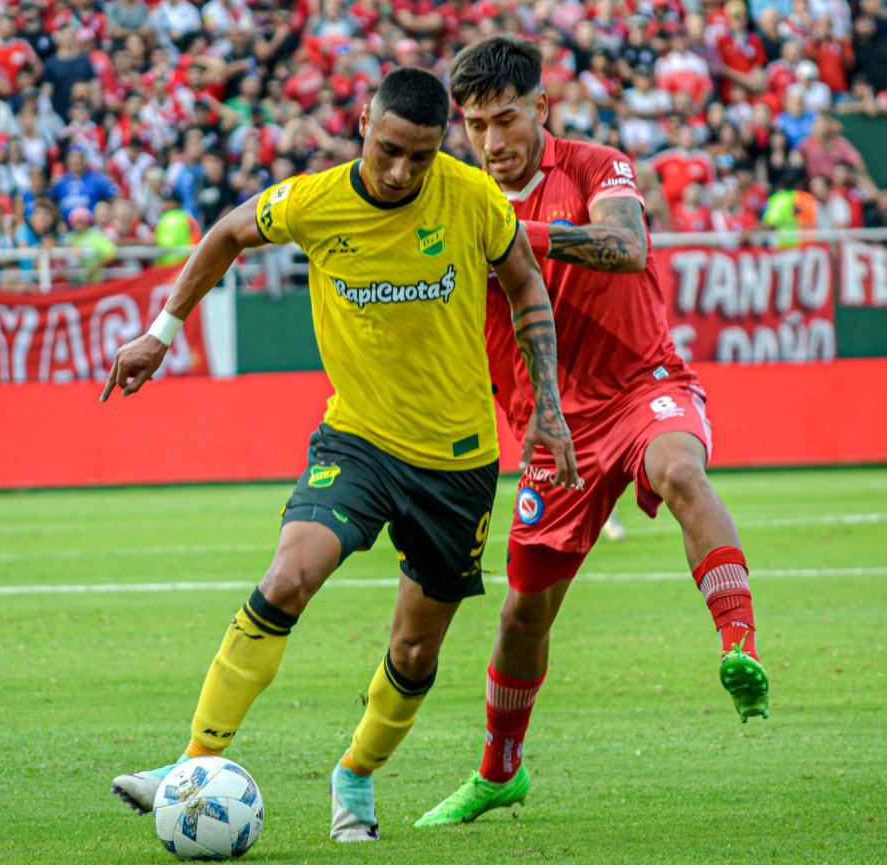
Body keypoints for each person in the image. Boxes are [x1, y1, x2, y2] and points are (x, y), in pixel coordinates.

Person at [102, 67, 578, 842]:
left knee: (415, 646)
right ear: (363, 122)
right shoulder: (314, 201)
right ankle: (189, 766)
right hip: (356, 439)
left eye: (420, 158)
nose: (401, 172)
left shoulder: (471, 198)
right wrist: (161, 332)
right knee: (288, 576)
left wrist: (548, 408)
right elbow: (226, 233)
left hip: (459, 461)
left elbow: (526, 283)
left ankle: (354, 774)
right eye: (389, 150)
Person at [415, 35, 769, 829]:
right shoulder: (451, 204)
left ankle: (738, 643)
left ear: (542, 107)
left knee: (682, 471)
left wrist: (512, 238)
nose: (493, 141)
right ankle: (499, 771)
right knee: (521, 615)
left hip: (646, 383)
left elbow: (626, 245)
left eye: (506, 119)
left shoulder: (594, 164)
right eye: (475, 126)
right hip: (551, 423)